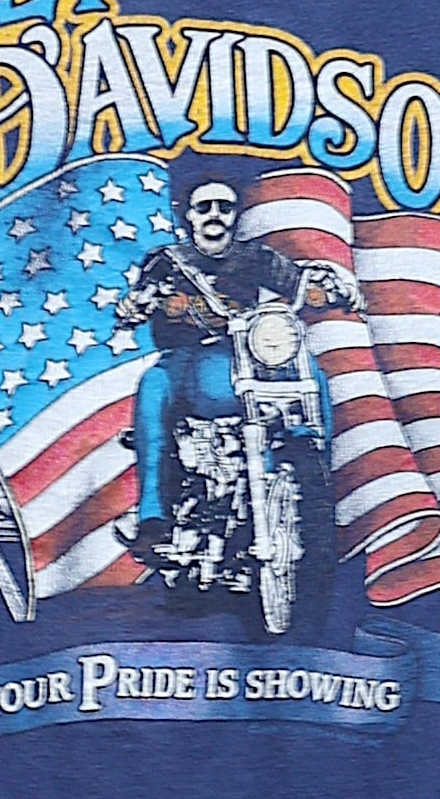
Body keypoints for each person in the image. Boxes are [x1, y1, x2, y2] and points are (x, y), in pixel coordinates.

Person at [116, 167, 351, 559]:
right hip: (185, 357)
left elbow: (297, 284)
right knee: (152, 387)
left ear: (235, 213)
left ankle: (316, 487)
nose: (214, 215)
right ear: (188, 215)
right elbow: (139, 300)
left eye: (223, 207)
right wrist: (140, 305)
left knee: (313, 374)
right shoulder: (167, 261)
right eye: (204, 207)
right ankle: (153, 516)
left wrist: (327, 291)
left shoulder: (255, 257)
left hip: (243, 353)